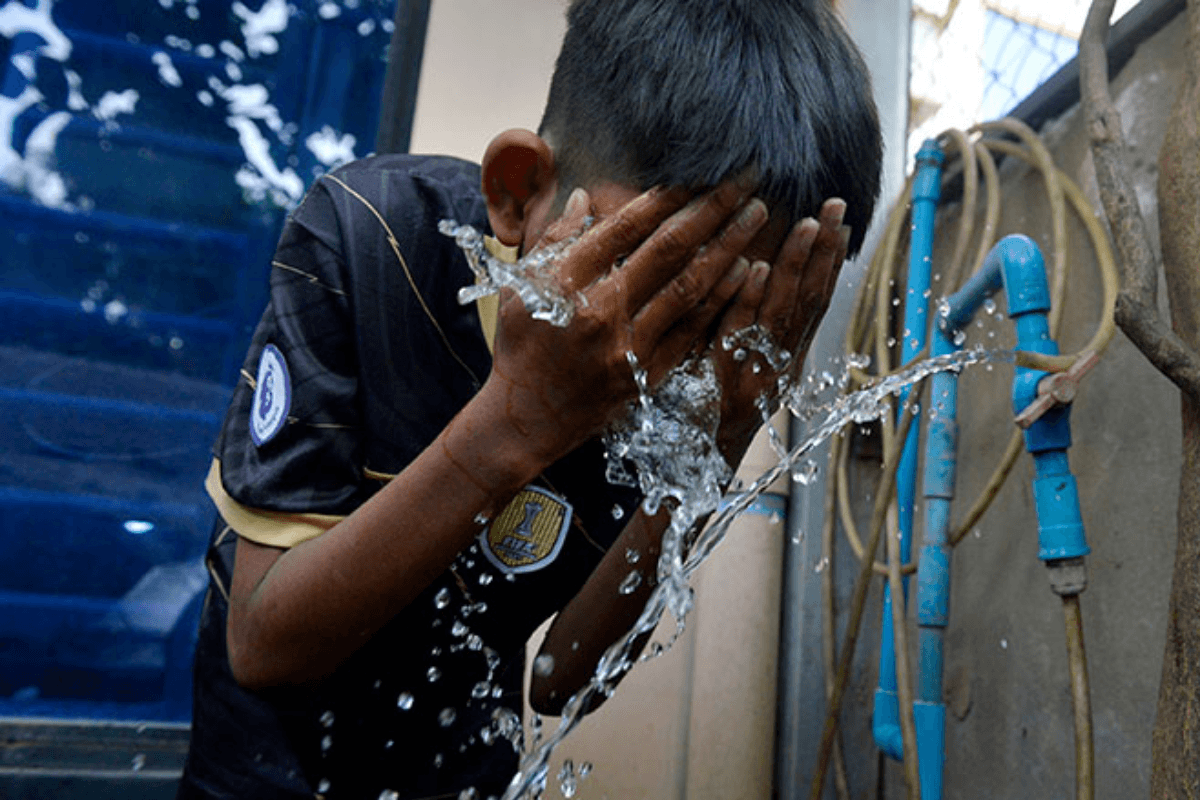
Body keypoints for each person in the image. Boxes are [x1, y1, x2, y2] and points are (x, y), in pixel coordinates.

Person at [177, 0, 882, 798]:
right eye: (653, 280)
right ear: (520, 192)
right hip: (261, 769)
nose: (666, 349)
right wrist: (520, 420)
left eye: (728, 316)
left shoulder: (678, 377)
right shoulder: (367, 239)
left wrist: (722, 437)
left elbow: (561, 679)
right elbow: (264, 646)